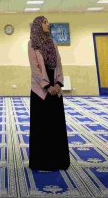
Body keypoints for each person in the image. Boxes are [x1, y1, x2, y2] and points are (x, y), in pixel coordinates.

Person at [28, 15, 70, 171]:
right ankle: (42, 162)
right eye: (44, 22)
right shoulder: (32, 44)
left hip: (56, 90)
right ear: (38, 26)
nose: (48, 24)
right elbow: (35, 69)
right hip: (41, 91)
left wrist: (58, 83)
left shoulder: (53, 42)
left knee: (56, 126)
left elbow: (59, 64)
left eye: (47, 22)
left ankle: (59, 161)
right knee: (43, 127)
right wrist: (47, 86)